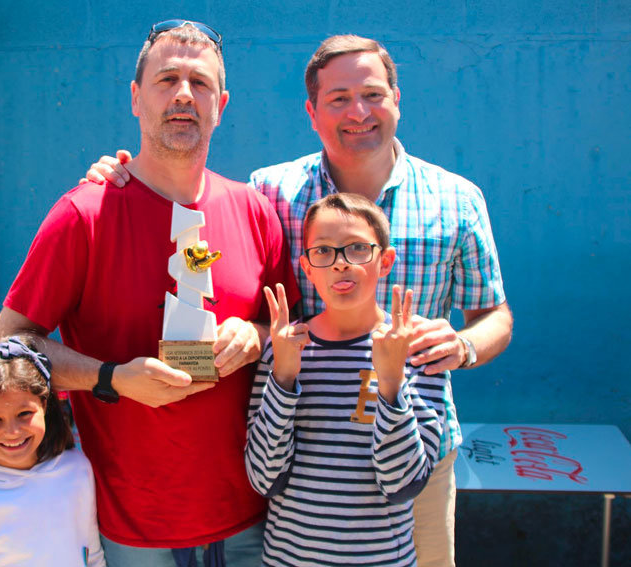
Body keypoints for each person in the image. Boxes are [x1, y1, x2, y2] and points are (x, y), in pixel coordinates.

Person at [84, 33, 512, 567]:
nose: (358, 112)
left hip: (414, 453)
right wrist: (124, 175)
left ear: (397, 99)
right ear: (312, 112)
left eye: (373, 94)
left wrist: (465, 346)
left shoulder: (457, 199)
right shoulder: (271, 192)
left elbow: (494, 314)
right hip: (303, 460)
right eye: (338, 98)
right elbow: (198, 210)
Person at [0, 20, 298, 567]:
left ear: (221, 105)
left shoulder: (254, 211)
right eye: (167, 79)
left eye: (200, 83)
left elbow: (294, 329)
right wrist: (109, 378)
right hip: (134, 526)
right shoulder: (83, 215)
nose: (184, 94)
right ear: (136, 98)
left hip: (254, 516)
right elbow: (8, 347)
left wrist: (256, 336)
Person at [247, 193, 446, 566]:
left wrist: (391, 382)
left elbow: (403, 483)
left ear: (385, 261)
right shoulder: (285, 347)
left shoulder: (416, 350)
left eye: (357, 248)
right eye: (323, 251)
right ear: (307, 268)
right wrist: (284, 378)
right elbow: (263, 478)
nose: (340, 263)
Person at [0, 335, 105, 567]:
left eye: (24, 414)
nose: (12, 432)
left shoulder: (77, 470)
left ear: (44, 405)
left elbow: (92, 553)